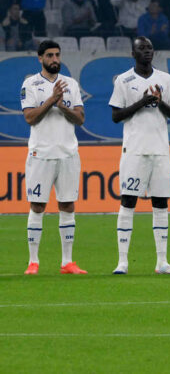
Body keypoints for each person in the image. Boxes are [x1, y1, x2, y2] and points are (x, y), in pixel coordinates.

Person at [108, 36, 170, 275]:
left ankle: (162, 262)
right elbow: (116, 116)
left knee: (161, 203)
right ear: (133, 53)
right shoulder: (123, 80)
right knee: (128, 201)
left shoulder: (166, 79)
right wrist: (141, 102)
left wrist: (159, 103)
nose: (147, 51)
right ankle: (122, 261)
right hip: (135, 150)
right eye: (142, 48)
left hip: (160, 149)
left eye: (150, 47)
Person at [20, 40, 87, 275]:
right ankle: (33, 261)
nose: (55, 59)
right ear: (40, 58)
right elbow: (30, 118)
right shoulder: (30, 84)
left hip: (68, 153)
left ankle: (67, 262)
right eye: (50, 55)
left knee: (67, 205)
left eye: (57, 55)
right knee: (38, 205)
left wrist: (63, 106)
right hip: (41, 153)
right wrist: (51, 100)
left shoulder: (70, 83)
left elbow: (80, 118)